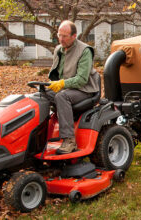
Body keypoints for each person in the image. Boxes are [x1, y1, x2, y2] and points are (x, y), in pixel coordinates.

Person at [47, 20, 99, 154]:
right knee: (41, 96)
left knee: (62, 97)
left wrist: (63, 84)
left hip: (85, 89)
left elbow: (82, 80)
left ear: (74, 36)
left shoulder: (85, 51)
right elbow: (57, 74)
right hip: (67, 89)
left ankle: (69, 141)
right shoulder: (59, 50)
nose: (61, 39)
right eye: (59, 35)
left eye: (64, 36)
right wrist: (54, 84)